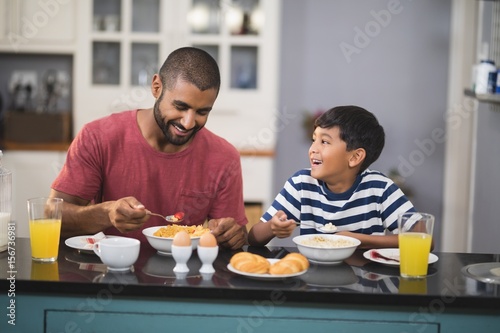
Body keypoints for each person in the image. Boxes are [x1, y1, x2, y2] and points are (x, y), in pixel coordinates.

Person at [50, 47, 248, 250]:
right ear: (156, 87)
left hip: (185, 276)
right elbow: (52, 217)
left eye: (202, 112)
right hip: (107, 272)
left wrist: (235, 235)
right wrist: (107, 213)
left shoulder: (224, 157)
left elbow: (231, 243)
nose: (188, 123)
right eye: (180, 107)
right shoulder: (98, 137)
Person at [248, 105, 415, 248]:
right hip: (312, 280)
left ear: (355, 157)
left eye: (325, 142)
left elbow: (423, 239)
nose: (313, 149)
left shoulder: (380, 188)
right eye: (314, 140)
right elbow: (253, 238)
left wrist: (361, 240)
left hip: (367, 281)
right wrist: (272, 227)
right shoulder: (302, 184)